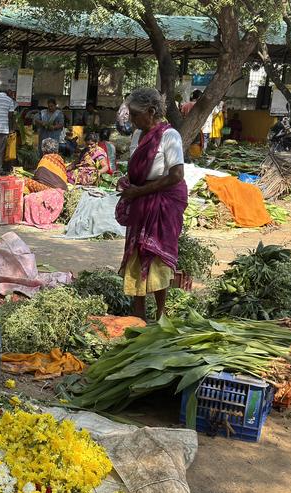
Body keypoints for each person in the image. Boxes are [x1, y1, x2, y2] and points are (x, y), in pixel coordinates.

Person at [116, 88, 187, 322]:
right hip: (140, 201)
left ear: (151, 111)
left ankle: (160, 314)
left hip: (161, 202)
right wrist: (127, 183)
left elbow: (176, 175)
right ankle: (138, 314)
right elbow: (138, 169)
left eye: (136, 115)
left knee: (155, 257)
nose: (133, 121)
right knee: (136, 253)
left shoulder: (170, 136)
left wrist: (140, 190)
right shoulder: (138, 136)